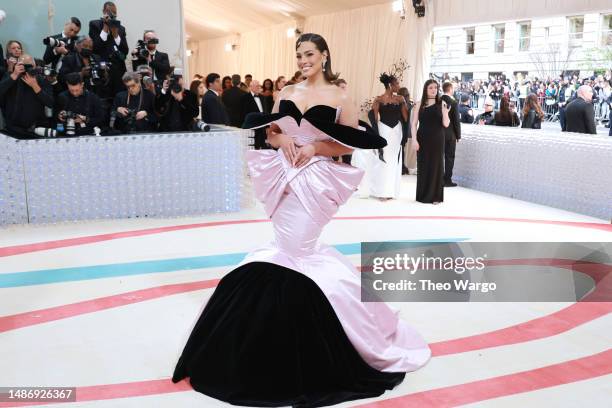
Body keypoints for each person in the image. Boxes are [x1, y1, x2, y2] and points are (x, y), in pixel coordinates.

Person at [172, 32, 430, 407]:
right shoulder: (287, 91)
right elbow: (272, 132)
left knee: (298, 250)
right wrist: (285, 142)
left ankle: (336, 338)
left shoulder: (341, 95)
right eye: (299, 55)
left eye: (309, 54)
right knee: (292, 254)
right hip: (283, 175)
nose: (303, 60)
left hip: (316, 179)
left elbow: (351, 142)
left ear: (324, 55)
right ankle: (290, 339)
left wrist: (314, 146)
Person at [411, 79, 450, 204]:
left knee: (437, 166)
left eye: (435, 87)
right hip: (422, 138)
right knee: (423, 165)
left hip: (438, 139)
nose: (434, 90)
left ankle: (435, 197)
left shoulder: (442, 103)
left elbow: (446, 123)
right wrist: (414, 140)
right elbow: (414, 124)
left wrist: (445, 113)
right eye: (431, 87)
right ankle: (422, 195)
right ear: (426, 89)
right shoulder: (419, 104)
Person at [370, 73, 408, 200]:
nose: (399, 86)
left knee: (393, 161)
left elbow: (406, 118)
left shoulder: (400, 99)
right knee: (383, 160)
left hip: (397, 131)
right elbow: (374, 119)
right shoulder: (378, 100)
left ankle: (391, 190)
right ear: (390, 85)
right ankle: (381, 191)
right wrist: (376, 136)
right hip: (383, 130)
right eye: (397, 83)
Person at [0, 55, 54, 138]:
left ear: (35, 66)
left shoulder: (42, 80)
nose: (26, 68)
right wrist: (14, 75)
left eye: (29, 66)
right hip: (13, 129)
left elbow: (50, 103)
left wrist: (35, 86)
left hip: (35, 128)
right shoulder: (10, 76)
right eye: (23, 65)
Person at [88, 1, 129, 95]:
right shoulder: (94, 24)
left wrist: (116, 35)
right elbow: (96, 47)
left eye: (114, 12)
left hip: (118, 71)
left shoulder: (121, 28)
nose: (111, 14)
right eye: (108, 11)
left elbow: (125, 51)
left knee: (119, 97)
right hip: (102, 70)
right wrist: (105, 27)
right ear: (103, 11)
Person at [440, 82, 461, 187]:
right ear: (450, 89)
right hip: (450, 134)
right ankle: (447, 180)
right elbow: (456, 121)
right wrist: (458, 135)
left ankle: (438, 179)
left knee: (439, 156)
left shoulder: (437, 100)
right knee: (449, 157)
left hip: (439, 133)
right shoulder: (453, 102)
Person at [398, 87, 416, 175]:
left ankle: (401, 167)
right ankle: (402, 167)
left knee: (400, 148)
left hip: (399, 128)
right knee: (402, 148)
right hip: (405, 129)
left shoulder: (399, 103)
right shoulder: (408, 104)